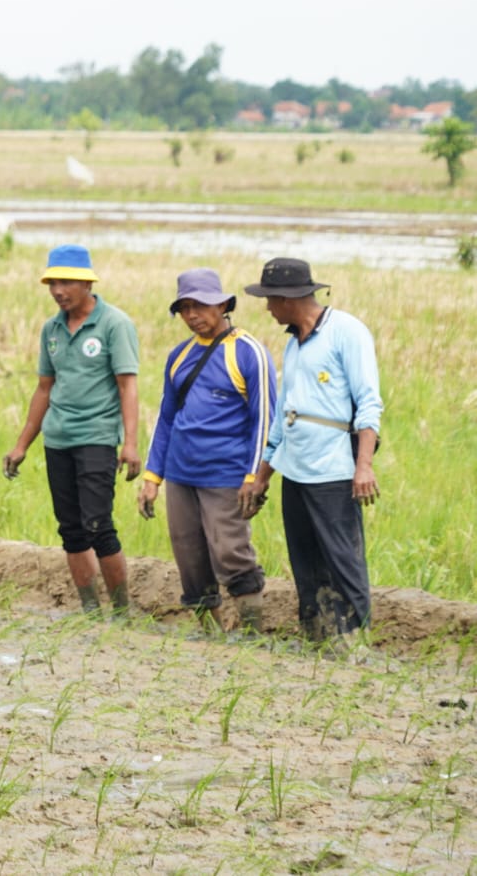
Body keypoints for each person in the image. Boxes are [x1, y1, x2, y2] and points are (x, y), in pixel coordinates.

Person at [238, 258, 381, 649]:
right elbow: (284, 417)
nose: (268, 309)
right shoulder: (294, 342)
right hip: (295, 469)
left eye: (270, 300)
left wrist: (363, 465)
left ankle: (353, 643)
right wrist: (262, 475)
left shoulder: (346, 332)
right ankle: (317, 640)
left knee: (342, 559)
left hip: (333, 469)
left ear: (288, 298)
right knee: (305, 560)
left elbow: (369, 403)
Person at [3, 244, 142, 615]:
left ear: (86, 283)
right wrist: (22, 445)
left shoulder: (114, 324)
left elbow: (128, 386)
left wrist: (130, 443)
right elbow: (44, 388)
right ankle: (90, 612)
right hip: (58, 439)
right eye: (52, 283)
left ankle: (122, 613)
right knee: (71, 530)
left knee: (98, 525)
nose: (57, 291)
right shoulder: (51, 329)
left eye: (65, 282)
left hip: (96, 438)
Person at [137, 269, 275, 635]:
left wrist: (253, 477)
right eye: (184, 308)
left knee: (230, 551)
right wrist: (153, 477)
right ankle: (209, 636)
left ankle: (251, 634)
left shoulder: (248, 353)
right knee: (189, 556)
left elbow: (265, 420)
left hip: (226, 474)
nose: (192, 314)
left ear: (224, 304)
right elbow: (166, 418)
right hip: (181, 475)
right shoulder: (179, 356)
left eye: (200, 305)